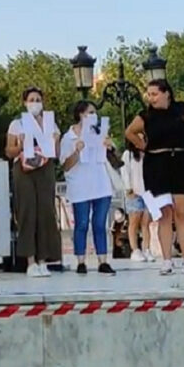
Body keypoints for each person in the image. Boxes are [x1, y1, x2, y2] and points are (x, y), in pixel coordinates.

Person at [125, 79, 184, 276]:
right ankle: (166, 260)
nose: (151, 97)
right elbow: (129, 132)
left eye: (155, 93)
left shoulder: (180, 108)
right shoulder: (146, 116)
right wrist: (143, 145)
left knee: (181, 213)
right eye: (149, 94)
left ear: (167, 94)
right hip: (157, 165)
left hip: (180, 162)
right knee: (165, 214)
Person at [5, 87, 63, 277]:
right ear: (25, 102)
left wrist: (56, 141)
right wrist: (20, 145)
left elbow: (57, 153)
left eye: (38, 99)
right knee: (27, 210)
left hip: (45, 168)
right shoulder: (17, 124)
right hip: (24, 168)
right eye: (31, 99)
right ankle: (29, 260)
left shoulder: (50, 124)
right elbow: (9, 151)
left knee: (46, 211)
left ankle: (43, 259)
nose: (35, 102)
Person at [60, 101, 116, 275]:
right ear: (81, 115)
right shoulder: (68, 137)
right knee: (82, 223)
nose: (94, 116)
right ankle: (81, 260)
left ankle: (102, 260)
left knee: (100, 223)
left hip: (101, 184)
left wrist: (111, 147)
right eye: (90, 113)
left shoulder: (100, 134)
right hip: (80, 186)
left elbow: (115, 160)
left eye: (95, 113)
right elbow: (65, 165)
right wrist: (76, 151)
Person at [122, 140, 155, 262]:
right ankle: (135, 250)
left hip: (147, 192)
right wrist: (128, 187)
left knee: (146, 222)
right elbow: (124, 171)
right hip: (134, 192)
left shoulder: (148, 154)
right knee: (134, 221)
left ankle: (146, 249)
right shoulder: (128, 154)